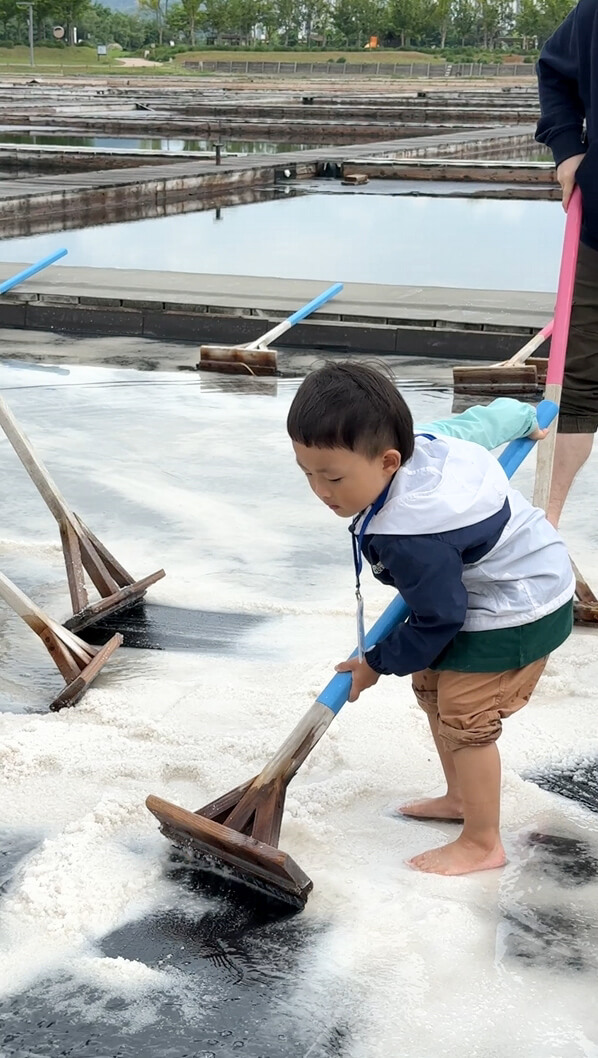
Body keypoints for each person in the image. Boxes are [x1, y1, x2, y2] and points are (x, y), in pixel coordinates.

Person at [287, 362, 574, 877]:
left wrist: (375, 661)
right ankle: (461, 797)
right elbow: (490, 421)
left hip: (520, 604)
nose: (320, 491)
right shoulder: (432, 439)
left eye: (332, 477)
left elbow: (440, 618)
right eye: (306, 474)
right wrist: (528, 417)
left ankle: (483, 842)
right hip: (479, 586)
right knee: (432, 687)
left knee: (466, 713)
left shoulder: (413, 536)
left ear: (389, 460)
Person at [536, 0, 598, 528]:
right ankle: (545, 526)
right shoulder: (594, 12)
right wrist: (566, 149)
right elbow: (555, 70)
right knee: (574, 383)